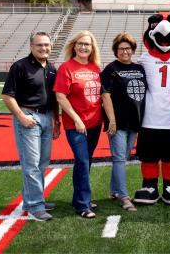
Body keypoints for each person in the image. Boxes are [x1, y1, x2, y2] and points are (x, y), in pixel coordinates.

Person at [133, 13, 170, 205]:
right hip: (149, 118)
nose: (164, 41)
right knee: (148, 154)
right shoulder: (144, 58)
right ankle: (149, 185)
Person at [1, 31, 61, 222]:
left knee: (42, 162)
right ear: (31, 46)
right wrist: (21, 116)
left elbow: (54, 98)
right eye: (39, 45)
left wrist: (57, 120)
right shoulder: (20, 66)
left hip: (47, 117)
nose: (44, 48)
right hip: (28, 117)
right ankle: (36, 206)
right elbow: (7, 95)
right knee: (31, 164)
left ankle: (34, 199)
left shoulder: (51, 68)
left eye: (46, 45)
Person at [53, 30, 102, 219]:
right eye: (80, 43)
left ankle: (78, 199)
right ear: (74, 46)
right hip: (76, 124)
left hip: (95, 123)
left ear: (92, 48)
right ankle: (83, 204)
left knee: (86, 162)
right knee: (82, 160)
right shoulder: (66, 68)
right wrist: (76, 118)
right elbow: (60, 96)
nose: (83, 47)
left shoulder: (95, 68)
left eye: (87, 45)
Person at [101, 32, 147, 212]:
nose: (125, 52)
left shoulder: (139, 68)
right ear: (115, 51)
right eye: (121, 49)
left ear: (133, 49)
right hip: (118, 123)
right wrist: (111, 120)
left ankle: (113, 190)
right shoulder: (111, 69)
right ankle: (123, 196)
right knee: (119, 159)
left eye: (128, 48)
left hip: (134, 122)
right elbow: (105, 95)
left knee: (123, 157)